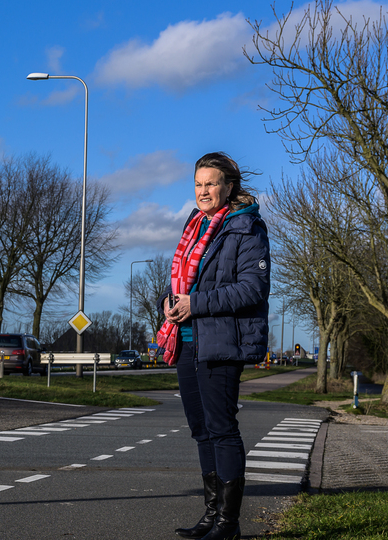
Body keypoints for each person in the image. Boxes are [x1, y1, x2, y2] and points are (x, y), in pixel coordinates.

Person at [157, 152, 270, 540]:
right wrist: (170, 303)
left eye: (211, 183)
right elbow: (182, 283)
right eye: (198, 184)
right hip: (187, 341)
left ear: (229, 186)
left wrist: (195, 304)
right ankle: (210, 514)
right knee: (201, 431)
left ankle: (229, 523)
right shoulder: (195, 225)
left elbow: (252, 288)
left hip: (222, 342)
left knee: (222, 430)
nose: (204, 191)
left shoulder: (247, 227)